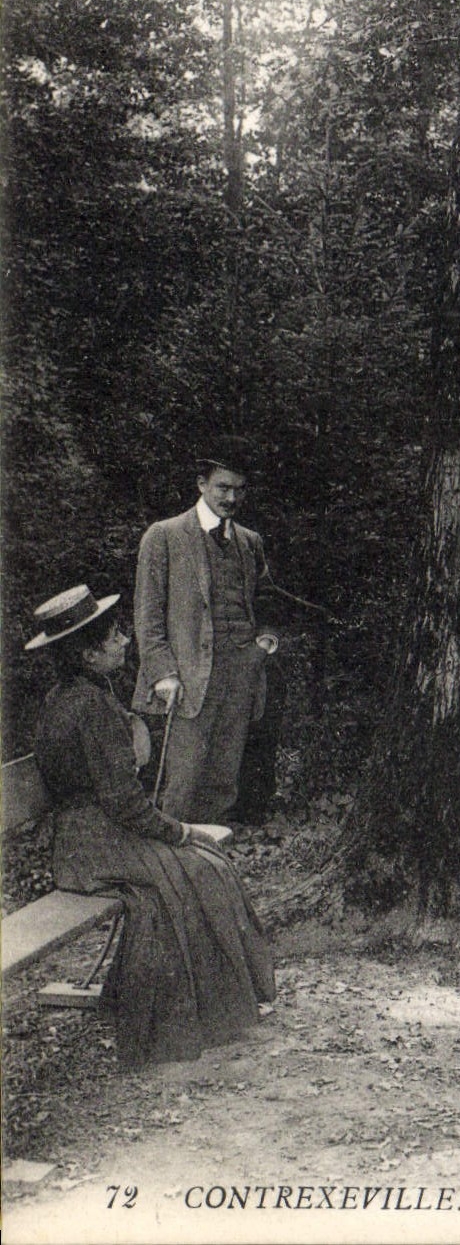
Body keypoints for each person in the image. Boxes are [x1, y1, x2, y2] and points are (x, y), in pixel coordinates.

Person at [29, 584, 275, 1070]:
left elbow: (112, 781)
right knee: (201, 867)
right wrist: (180, 831)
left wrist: (133, 725)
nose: (125, 641)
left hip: (91, 835)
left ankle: (212, 1005)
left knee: (203, 866)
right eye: (114, 635)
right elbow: (126, 805)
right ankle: (201, 1012)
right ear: (87, 652)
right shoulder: (86, 705)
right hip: (94, 845)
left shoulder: (79, 694)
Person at [132, 447, 279, 823]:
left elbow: (266, 601)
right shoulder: (164, 536)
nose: (232, 498)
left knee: (223, 778)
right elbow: (147, 615)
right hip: (188, 678)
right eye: (223, 488)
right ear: (202, 484)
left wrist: (264, 641)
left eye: (240, 489)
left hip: (241, 675)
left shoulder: (250, 541)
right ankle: (174, 867)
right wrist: (163, 672)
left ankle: (209, 862)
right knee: (181, 782)